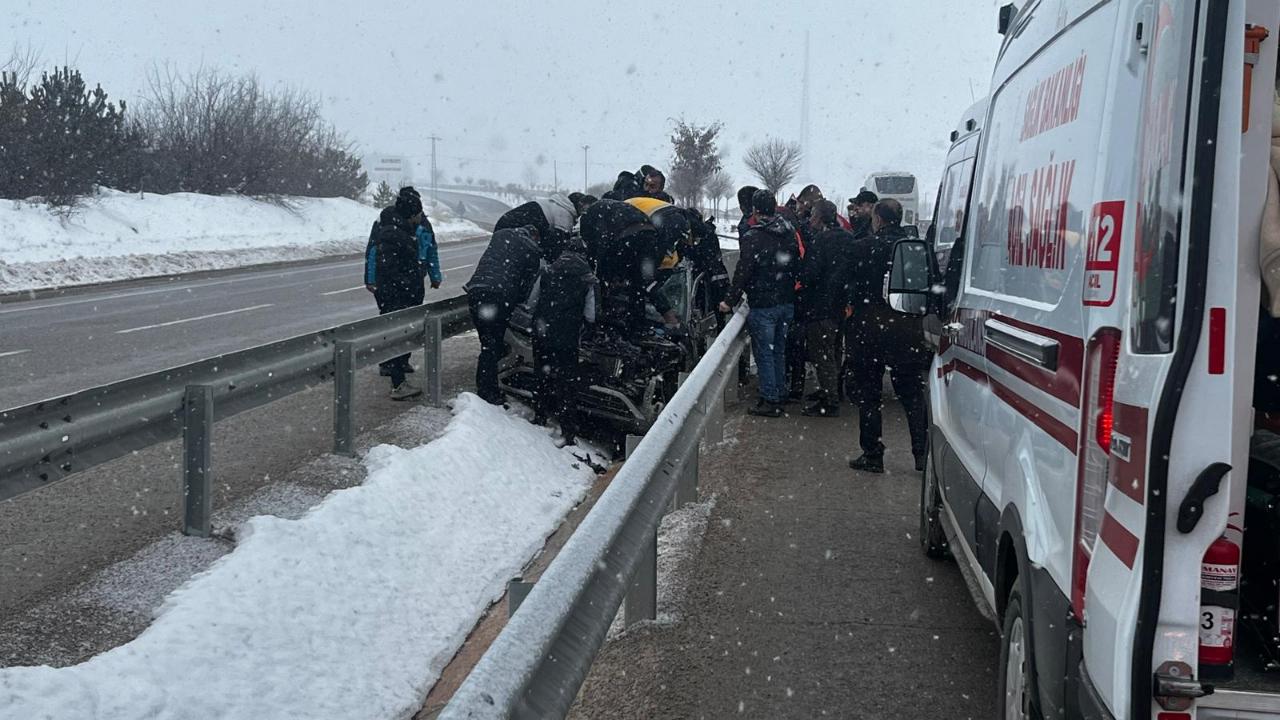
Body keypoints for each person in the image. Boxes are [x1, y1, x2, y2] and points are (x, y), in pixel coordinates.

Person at [846, 199, 930, 473]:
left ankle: (873, 453)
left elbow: (847, 286)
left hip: (869, 329)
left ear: (878, 219)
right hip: (907, 329)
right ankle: (921, 453)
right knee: (912, 393)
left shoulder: (863, 247)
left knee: (869, 393)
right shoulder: (916, 250)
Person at [719, 189, 799, 417]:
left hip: (764, 303)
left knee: (764, 351)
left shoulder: (753, 237)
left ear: (755, 210)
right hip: (786, 300)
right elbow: (796, 264)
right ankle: (780, 392)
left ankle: (770, 400)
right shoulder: (788, 232)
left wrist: (728, 300)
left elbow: (743, 271)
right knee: (778, 351)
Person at [527, 234, 599, 444]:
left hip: (542, 332)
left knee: (541, 373)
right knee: (567, 382)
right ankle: (568, 428)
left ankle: (540, 414)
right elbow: (591, 315)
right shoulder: (588, 279)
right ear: (584, 255)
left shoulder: (547, 271)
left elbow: (532, 302)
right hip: (567, 336)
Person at [463, 225, 547, 405]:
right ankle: (488, 392)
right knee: (491, 345)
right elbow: (526, 289)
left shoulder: (501, 236)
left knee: (487, 342)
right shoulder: (532, 250)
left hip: (475, 290)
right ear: (535, 237)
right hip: (499, 295)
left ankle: (491, 378)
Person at [365, 186, 431, 400]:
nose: (420, 217)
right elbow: (389, 267)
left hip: (395, 294)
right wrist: (409, 285)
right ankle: (398, 384)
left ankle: (396, 372)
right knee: (397, 336)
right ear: (411, 213)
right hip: (396, 296)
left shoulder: (398, 230)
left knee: (397, 335)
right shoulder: (395, 235)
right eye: (418, 213)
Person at [799, 200, 853, 417]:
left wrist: (801, 277)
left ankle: (829, 401)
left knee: (821, 353)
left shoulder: (820, 241)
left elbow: (810, 274)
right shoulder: (849, 238)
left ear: (820, 218)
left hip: (821, 304)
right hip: (840, 304)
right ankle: (832, 390)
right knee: (835, 349)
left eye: (812, 215)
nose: (810, 219)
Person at [580, 198, 663, 337]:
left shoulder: (593, 216)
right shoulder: (616, 208)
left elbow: (598, 247)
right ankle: (636, 326)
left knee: (604, 279)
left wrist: (601, 273)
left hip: (626, 237)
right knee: (639, 284)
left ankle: (604, 323)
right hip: (648, 233)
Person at [493, 193, 578, 257]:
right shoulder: (565, 212)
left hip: (505, 224)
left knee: (497, 257)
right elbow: (559, 240)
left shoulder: (551, 204)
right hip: (513, 228)